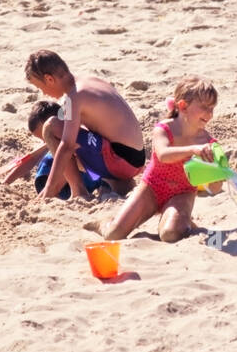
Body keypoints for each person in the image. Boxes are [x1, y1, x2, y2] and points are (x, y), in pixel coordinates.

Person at [93, 77, 222, 243]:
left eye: (212, 108)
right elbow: (163, 154)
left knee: (170, 234)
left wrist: (218, 175)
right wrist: (192, 150)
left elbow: (214, 188)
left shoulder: (208, 143)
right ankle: (103, 224)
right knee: (114, 234)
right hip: (152, 187)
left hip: (182, 193)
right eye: (204, 107)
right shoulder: (164, 129)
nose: (209, 113)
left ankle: (180, 222)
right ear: (183, 106)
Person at [14, 50, 146, 201]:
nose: (43, 93)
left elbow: (66, 145)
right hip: (135, 159)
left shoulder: (73, 98)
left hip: (121, 161)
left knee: (51, 126)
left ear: (49, 79)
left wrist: (50, 188)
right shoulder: (91, 81)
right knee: (65, 140)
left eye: (40, 87)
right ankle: (120, 184)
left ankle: (78, 191)